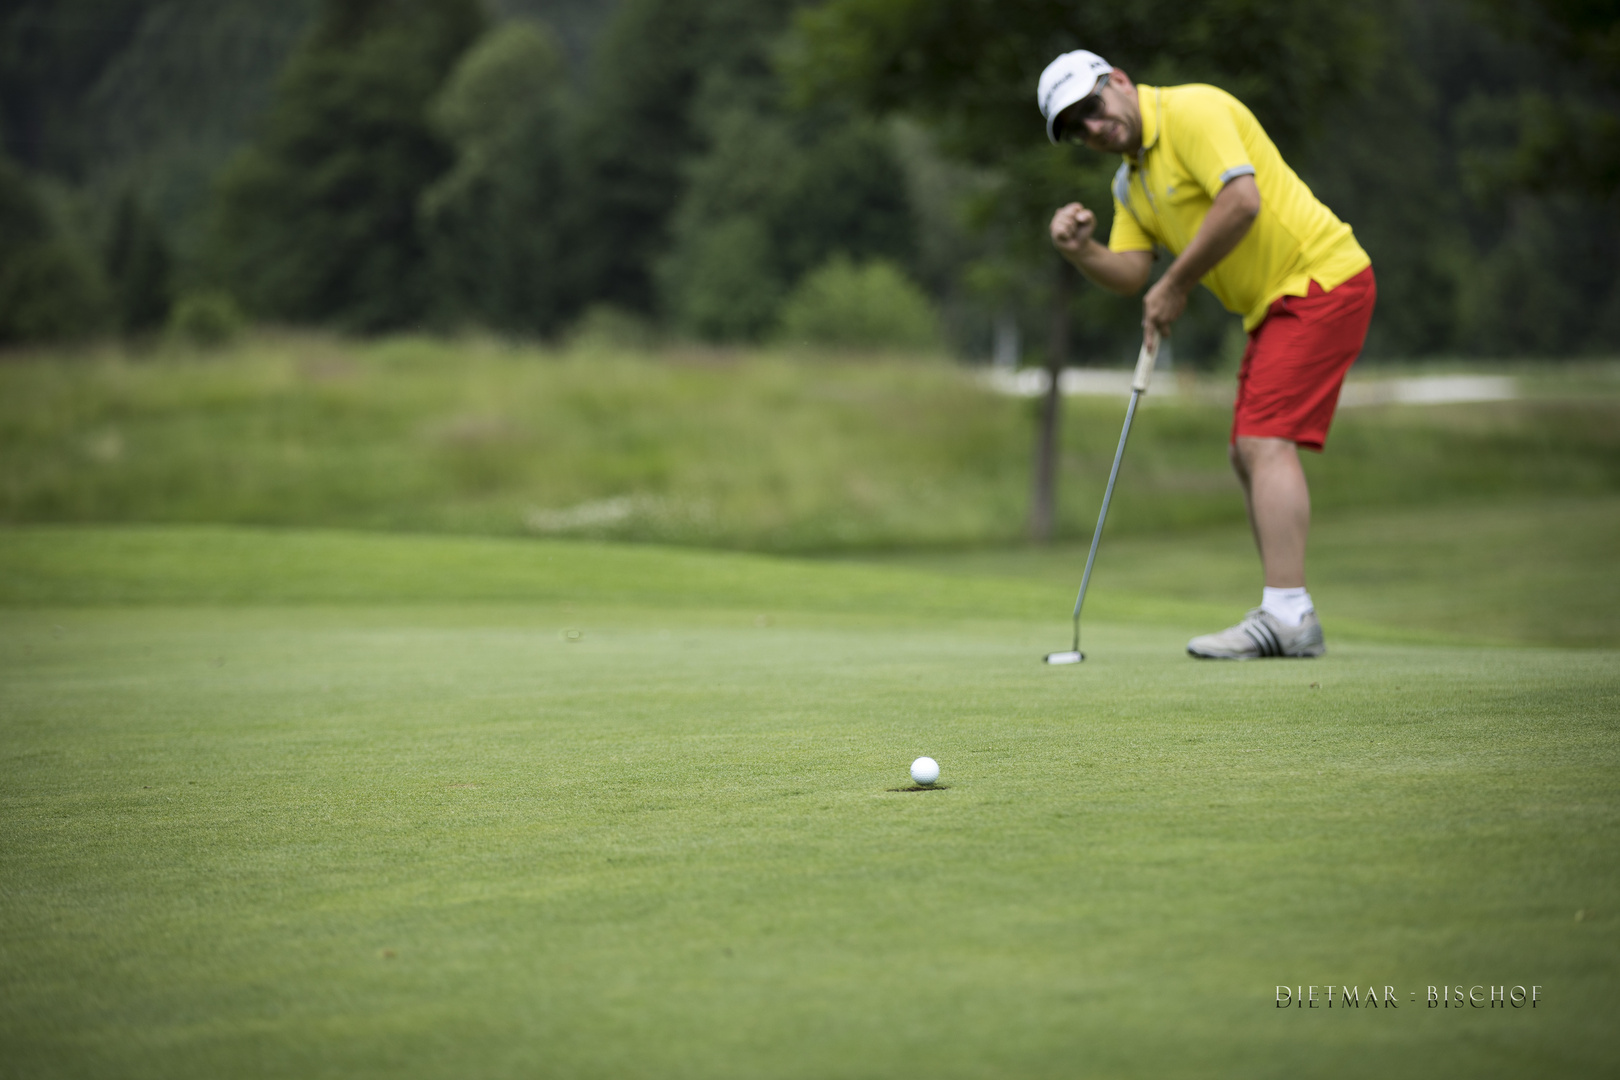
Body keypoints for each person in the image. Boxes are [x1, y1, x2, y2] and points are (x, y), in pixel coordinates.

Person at [1037, 50, 1376, 660]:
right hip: (1276, 305)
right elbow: (1130, 273)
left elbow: (1241, 202)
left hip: (1320, 278)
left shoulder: (1194, 109)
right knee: (1246, 452)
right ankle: (1284, 609)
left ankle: (1289, 614)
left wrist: (1176, 285)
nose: (1091, 127)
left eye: (1091, 108)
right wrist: (1081, 250)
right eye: (1074, 128)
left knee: (1264, 442)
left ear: (1118, 81)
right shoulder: (1129, 183)